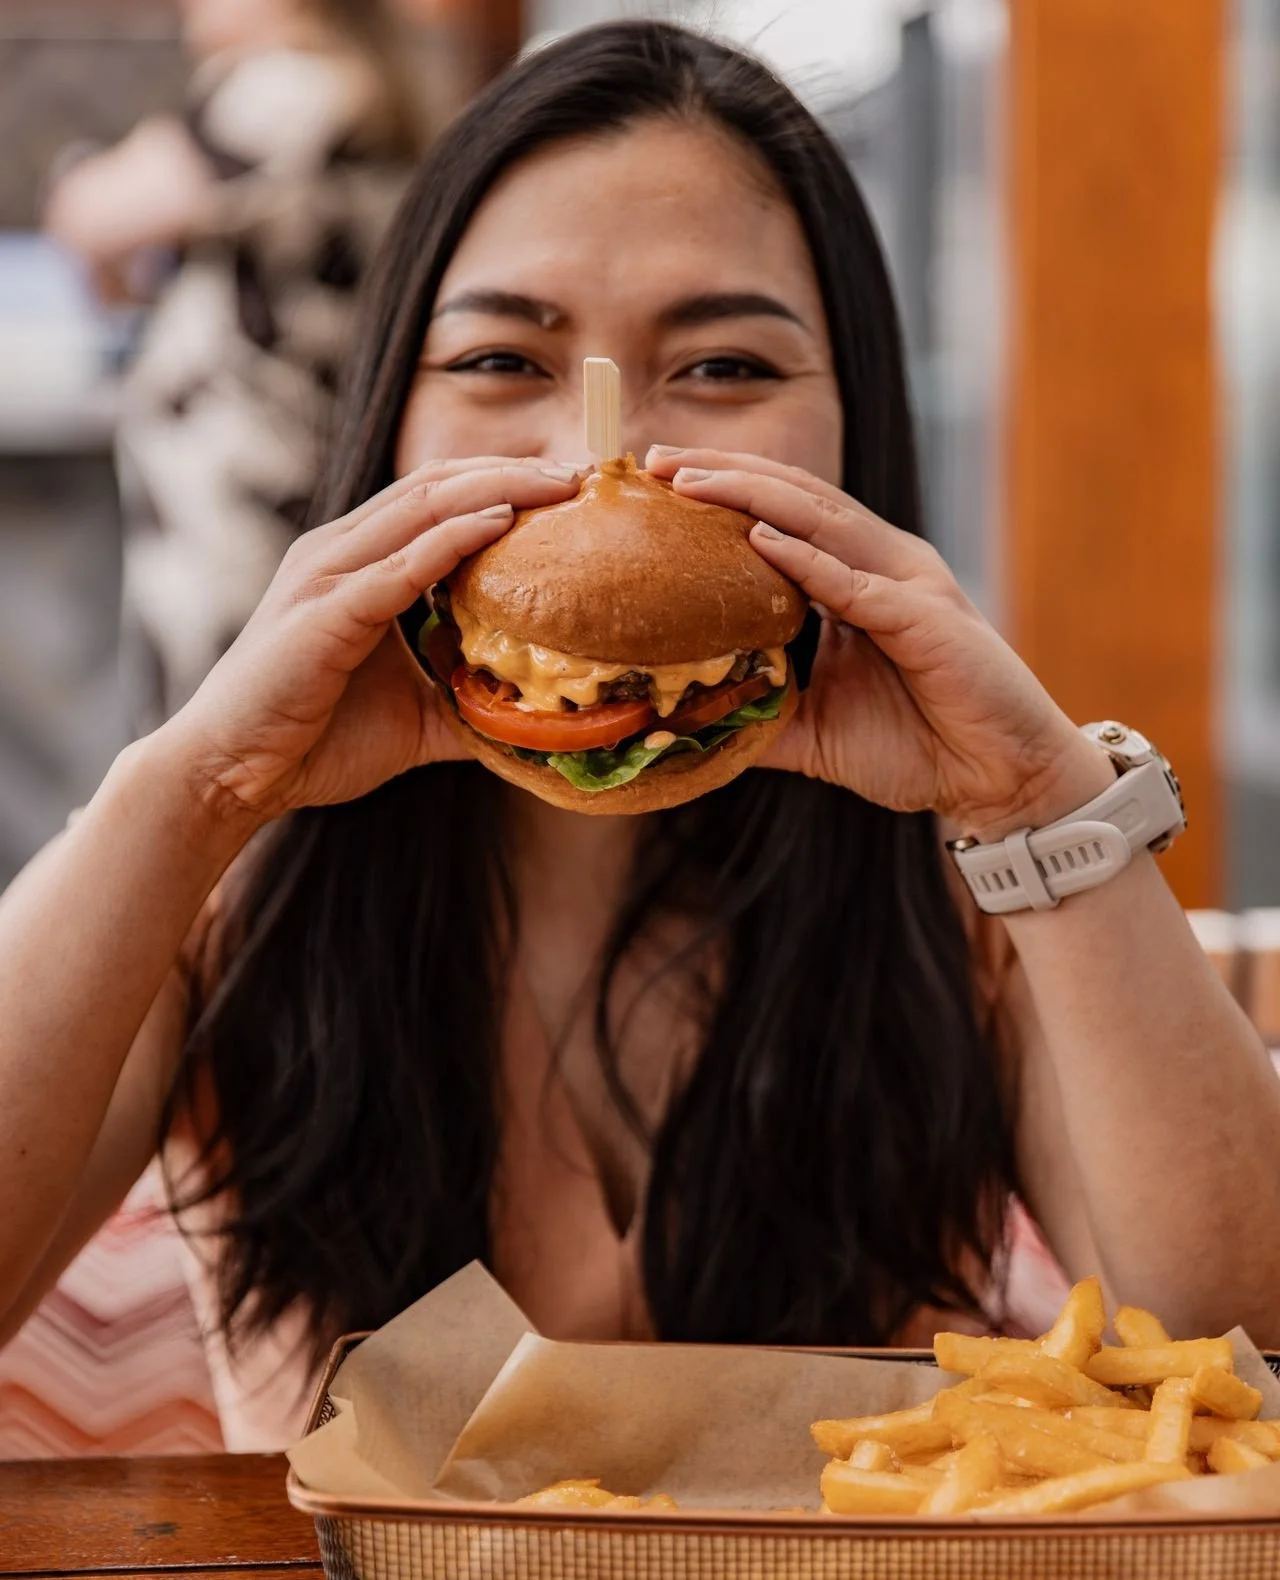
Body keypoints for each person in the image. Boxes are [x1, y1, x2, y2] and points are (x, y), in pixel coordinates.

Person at [4, 21, 1279, 1453]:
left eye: (730, 368)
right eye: (498, 358)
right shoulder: (228, 897)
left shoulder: (970, 898)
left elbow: (1243, 1345)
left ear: (856, 427)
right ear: (384, 425)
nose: (595, 465)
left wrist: (1050, 805)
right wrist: (194, 787)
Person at [44, 0, 420, 726]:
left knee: (218, 733)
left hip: (247, 492)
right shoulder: (368, 87)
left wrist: (80, 174)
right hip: (295, 466)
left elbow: (94, 214)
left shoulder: (284, 88)